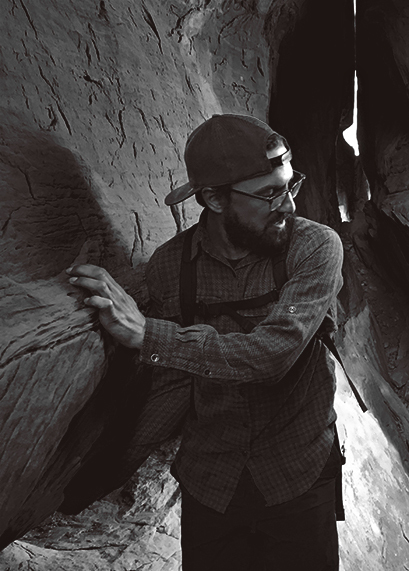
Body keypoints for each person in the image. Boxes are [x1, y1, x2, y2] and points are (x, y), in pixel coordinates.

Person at [66, 114, 344, 571]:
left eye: (290, 186)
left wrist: (147, 334)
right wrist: (99, 473)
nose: (290, 206)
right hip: (212, 482)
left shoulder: (314, 248)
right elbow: (173, 386)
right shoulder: (170, 268)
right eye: (271, 193)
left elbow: (273, 353)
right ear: (213, 198)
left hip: (299, 474)